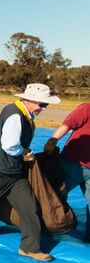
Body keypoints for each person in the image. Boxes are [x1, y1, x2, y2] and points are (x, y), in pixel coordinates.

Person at [0, 83, 60, 262]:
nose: (44, 109)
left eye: (46, 105)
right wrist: (24, 152)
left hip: (14, 172)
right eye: (42, 104)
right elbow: (8, 145)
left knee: (29, 206)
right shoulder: (16, 115)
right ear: (30, 100)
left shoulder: (18, 112)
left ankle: (30, 248)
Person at [44, 101, 90, 241]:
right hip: (73, 162)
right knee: (57, 195)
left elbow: (68, 124)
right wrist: (53, 140)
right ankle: (48, 225)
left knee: (56, 195)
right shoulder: (87, 108)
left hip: (79, 164)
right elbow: (68, 124)